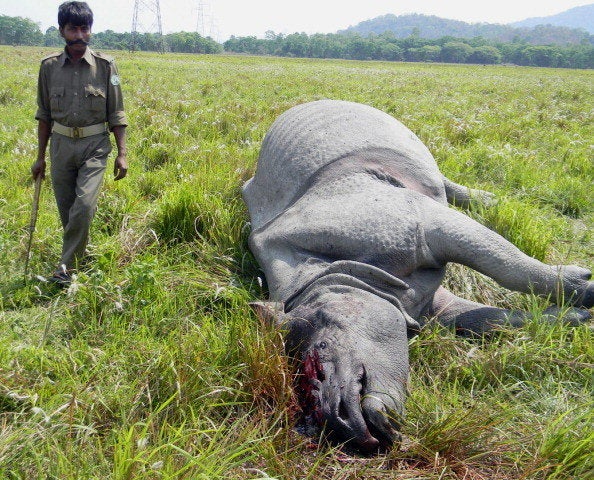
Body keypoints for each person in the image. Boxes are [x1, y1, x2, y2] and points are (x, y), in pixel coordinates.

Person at [31, 1, 128, 285]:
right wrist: (40, 157)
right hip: (60, 146)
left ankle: (64, 269)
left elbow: (117, 113)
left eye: (84, 29)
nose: (79, 35)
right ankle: (76, 258)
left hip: (94, 146)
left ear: (90, 31)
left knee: (84, 206)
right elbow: (44, 115)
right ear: (61, 31)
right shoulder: (48, 67)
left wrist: (122, 154)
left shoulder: (107, 66)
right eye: (72, 29)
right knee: (67, 209)